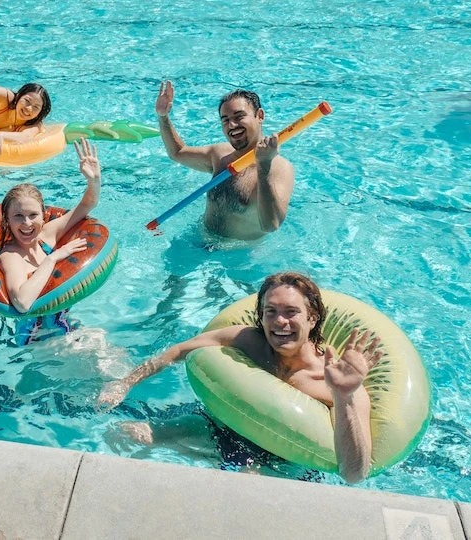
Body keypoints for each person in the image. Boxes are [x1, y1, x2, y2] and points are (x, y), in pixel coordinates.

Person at [96, 272, 383, 484]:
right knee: (124, 432)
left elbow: (354, 474)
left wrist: (344, 395)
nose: (280, 321)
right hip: (220, 429)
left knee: (243, 484)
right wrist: (125, 383)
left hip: (282, 464)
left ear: (313, 318)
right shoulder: (248, 341)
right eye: (271, 312)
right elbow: (179, 350)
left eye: (291, 312)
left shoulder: (334, 380)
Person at [155, 81, 295, 241]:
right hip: (198, 241)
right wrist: (163, 117)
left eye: (239, 116)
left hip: (237, 253)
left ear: (260, 116)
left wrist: (264, 165)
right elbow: (178, 153)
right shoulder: (220, 154)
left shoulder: (279, 167)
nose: (232, 125)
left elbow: (271, 225)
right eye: (225, 120)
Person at [0, 139, 100, 345]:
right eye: (18, 216)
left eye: (33, 215)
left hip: (63, 326)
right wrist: (53, 258)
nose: (27, 223)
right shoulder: (11, 256)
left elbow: (87, 204)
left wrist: (94, 180)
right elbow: (22, 303)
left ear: (44, 215)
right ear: (7, 219)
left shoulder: (46, 235)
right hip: (37, 341)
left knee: (107, 345)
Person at [0, 54, 52, 158]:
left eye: (36, 107)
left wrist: (0, 135)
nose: (29, 108)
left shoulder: (34, 123)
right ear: (19, 97)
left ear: (39, 113)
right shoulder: (6, 99)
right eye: (27, 101)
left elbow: (26, 137)